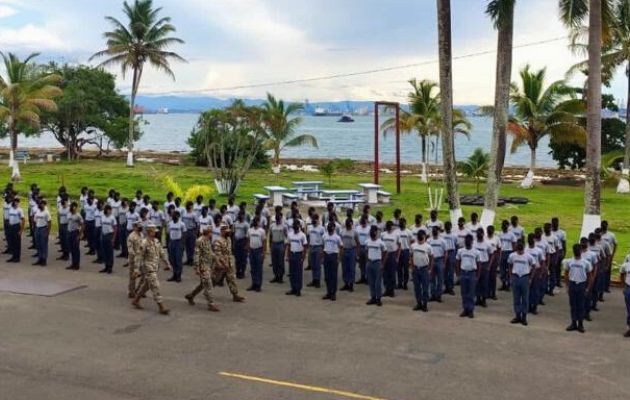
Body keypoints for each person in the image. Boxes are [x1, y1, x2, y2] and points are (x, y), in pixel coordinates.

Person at [132, 224, 172, 315]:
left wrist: (167, 264)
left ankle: (136, 300)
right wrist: (136, 270)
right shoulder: (144, 243)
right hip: (148, 267)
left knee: (147, 285)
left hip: (155, 267)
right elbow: (139, 257)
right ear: (150, 232)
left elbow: (162, 253)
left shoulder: (156, 241)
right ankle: (161, 307)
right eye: (154, 231)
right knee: (155, 285)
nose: (156, 232)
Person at [185, 227, 220, 312]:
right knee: (208, 284)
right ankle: (211, 304)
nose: (212, 234)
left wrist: (216, 260)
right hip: (203, 266)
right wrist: (196, 268)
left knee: (203, 284)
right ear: (208, 233)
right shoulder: (199, 241)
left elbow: (209, 252)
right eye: (211, 232)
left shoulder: (207, 240)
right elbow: (196, 254)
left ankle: (191, 295)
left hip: (208, 265)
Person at [563, 244, 593, 333]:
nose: (576, 253)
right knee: (573, 305)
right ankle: (573, 323)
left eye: (578, 251)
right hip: (572, 284)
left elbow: (590, 276)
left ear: (580, 251)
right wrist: (567, 286)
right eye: (575, 251)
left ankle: (580, 324)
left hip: (581, 284)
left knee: (581, 305)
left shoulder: (586, 263)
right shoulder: (569, 262)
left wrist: (587, 288)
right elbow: (566, 273)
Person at [212, 224, 245, 302]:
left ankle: (235, 295)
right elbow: (218, 254)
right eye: (227, 232)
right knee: (214, 280)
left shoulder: (229, 239)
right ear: (222, 231)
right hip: (220, 265)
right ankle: (206, 291)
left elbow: (229, 252)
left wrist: (229, 263)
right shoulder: (218, 241)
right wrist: (224, 263)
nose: (229, 233)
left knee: (231, 279)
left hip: (228, 263)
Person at [508, 240, 536, 326]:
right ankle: (517, 316)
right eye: (518, 250)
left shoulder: (528, 256)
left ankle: (524, 316)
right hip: (515, 276)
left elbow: (534, 266)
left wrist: (531, 278)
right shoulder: (512, 255)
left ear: (523, 248)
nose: (519, 252)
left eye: (521, 250)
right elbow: (510, 265)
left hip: (524, 277)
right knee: (516, 298)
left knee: (525, 298)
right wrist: (511, 276)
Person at [456, 234, 481, 318]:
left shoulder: (476, 252)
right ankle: (465, 309)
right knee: (464, 293)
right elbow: (457, 262)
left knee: (471, 293)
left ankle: (470, 310)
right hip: (463, 273)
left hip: (472, 273)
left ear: (472, 241)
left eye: (469, 241)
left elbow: (479, 264)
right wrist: (458, 273)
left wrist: (477, 275)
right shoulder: (460, 251)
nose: (467, 242)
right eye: (466, 240)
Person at [410, 231, 432, 312]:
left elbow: (432, 257)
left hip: (424, 269)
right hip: (416, 269)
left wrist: (430, 269)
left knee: (425, 288)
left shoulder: (428, 247)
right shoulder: (413, 246)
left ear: (424, 237)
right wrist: (412, 267)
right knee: (417, 288)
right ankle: (419, 303)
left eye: (422, 236)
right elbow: (411, 256)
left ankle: (425, 304)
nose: (420, 238)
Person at [286, 220, 308, 296]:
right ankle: (293, 288)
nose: (295, 227)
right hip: (292, 254)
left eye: (297, 225)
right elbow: (288, 245)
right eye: (294, 225)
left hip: (298, 255)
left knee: (298, 273)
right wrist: (287, 256)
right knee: (292, 273)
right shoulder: (290, 234)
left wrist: (303, 257)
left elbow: (305, 247)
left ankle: (298, 289)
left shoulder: (302, 235)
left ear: (299, 226)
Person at [366, 225, 386, 306]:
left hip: (377, 263)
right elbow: (366, 251)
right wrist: (367, 260)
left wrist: (382, 263)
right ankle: (373, 297)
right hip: (370, 262)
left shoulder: (380, 242)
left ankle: (378, 298)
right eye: (372, 231)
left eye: (374, 231)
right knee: (371, 281)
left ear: (377, 232)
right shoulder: (367, 241)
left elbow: (385, 252)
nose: (373, 233)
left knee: (378, 282)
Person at [322, 222, 343, 301]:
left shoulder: (337, 237)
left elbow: (341, 247)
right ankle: (328, 292)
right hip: (326, 255)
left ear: (334, 228)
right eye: (329, 227)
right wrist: (322, 258)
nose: (330, 229)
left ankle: (333, 293)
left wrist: (339, 258)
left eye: (331, 227)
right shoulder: (324, 235)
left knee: (333, 276)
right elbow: (323, 246)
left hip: (333, 255)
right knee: (327, 276)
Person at [473, 228, 494, 308]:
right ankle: (478, 299)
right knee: (477, 282)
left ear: (483, 234)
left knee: (484, 283)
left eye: (480, 233)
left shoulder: (487, 244)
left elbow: (492, 255)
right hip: (476, 264)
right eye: (477, 233)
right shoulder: (474, 243)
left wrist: (489, 265)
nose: (479, 235)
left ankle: (484, 299)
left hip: (484, 264)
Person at [525, 233, 544, 315]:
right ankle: (528, 306)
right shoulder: (525, 249)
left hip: (536, 271)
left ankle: (534, 307)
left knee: (535, 290)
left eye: (531, 239)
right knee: (527, 290)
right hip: (527, 271)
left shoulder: (538, 250)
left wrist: (541, 273)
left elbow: (542, 262)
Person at [246, 216, 266, 292]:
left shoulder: (262, 231)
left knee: (259, 269)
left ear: (258, 222)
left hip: (258, 250)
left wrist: (263, 253)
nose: (255, 222)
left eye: (256, 221)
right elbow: (248, 240)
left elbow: (264, 242)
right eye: (254, 221)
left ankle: (258, 285)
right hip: (251, 250)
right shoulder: (249, 230)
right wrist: (248, 251)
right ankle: (253, 284)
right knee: (253, 269)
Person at [427, 226, 447, 303]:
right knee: (431, 279)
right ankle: (433, 295)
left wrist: (444, 263)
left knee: (440, 279)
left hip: (439, 260)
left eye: (436, 230)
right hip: (431, 260)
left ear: (439, 231)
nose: (435, 231)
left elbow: (446, 253)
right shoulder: (429, 240)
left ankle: (439, 295)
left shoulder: (442, 241)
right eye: (433, 230)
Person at [340, 218, 359, 292]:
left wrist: (357, 254)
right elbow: (340, 241)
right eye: (347, 224)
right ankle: (346, 283)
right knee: (344, 268)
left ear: (352, 224)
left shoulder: (355, 232)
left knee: (351, 268)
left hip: (352, 250)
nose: (348, 226)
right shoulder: (342, 231)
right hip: (344, 250)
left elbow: (358, 243)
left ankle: (351, 284)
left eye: (350, 224)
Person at [167, 211, 186, 282]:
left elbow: (184, 234)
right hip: (172, 242)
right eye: (172, 215)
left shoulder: (182, 224)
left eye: (175, 215)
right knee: (172, 259)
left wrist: (182, 244)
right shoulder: (170, 223)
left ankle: (178, 276)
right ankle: (174, 274)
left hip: (178, 242)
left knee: (178, 260)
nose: (173, 217)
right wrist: (169, 242)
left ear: (178, 216)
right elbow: (169, 233)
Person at [126, 221, 144, 298]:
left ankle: (140, 290)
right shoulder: (131, 236)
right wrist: (136, 256)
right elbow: (130, 249)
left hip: (141, 257)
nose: (140, 227)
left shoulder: (142, 235)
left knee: (144, 274)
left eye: (140, 226)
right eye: (138, 226)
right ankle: (131, 292)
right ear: (134, 227)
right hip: (133, 258)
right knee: (133, 276)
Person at [307, 214, 325, 288]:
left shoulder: (321, 228)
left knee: (317, 265)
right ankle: (314, 280)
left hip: (318, 247)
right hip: (311, 247)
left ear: (318, 219)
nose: (314, 220)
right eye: (313, 219)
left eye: (315, 219)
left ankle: (317, 281)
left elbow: (324, 239)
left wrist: (323, 249)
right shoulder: (309, 227)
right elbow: (308, 237)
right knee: (313, 265)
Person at [498, 220, 517, 291]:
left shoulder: (511, 234)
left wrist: (513, 253)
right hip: (502, 252)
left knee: (509, 269)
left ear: (508, 226)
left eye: (505, 225)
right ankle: (503, 283)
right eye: (503, 225)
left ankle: (508, 284)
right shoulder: (500, 234)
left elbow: (514, 244)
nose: (504, 226)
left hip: (509, 252)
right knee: (502, 269)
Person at [269, 214, 288, 283]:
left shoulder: (284, 226)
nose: (278, 220)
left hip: (281, 244)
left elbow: (286, 236)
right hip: (274, 243)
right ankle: (276, 275)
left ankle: (280, 276)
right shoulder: (272, 226)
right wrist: (270, 245)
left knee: (280, 261)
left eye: (279, 219)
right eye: (277, 219)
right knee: (274, 261)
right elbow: (270, 236)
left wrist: (285, 245)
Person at [99, 205, 117, 274]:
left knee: (110, 252)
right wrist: (101, 235)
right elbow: (102, 226)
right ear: (106, 210)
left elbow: (115, 228)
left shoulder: (112, 217)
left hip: (110, 235)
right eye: (108, 209)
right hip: (103, 235)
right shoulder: (102, 217)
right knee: (104, 252)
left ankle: (110, 267)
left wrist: (113, 238)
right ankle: (106, 266)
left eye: (110, 210)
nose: (110, 211)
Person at [33, 200, 52, 266]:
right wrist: (35, 228)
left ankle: (44, 260)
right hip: (37, 229)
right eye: (39, 204)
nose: (40, 205)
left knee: (43, 245)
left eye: (41, 204)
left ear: (44, 205)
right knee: (38, 245)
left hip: (43, 229)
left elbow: (49, 222)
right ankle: (39, 259)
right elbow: (35, 220)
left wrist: (48, 232)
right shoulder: (37, 211)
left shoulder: (46, 212)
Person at [600, 221, 617, 294]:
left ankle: (606, 287)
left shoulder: (611, 235)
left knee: (607, 270)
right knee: (600, 271)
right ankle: (601, 286)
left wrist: (612, 254)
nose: (604, 227)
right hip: (599, 255)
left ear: (607, 226)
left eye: (605, 225)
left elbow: (615, 244)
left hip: (607, 255)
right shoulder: (598, 234)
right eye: (603, 225)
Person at [7, 197, 25, 263]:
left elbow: (23, 220)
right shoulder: (10, 209)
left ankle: (17, 257)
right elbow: (9, 217)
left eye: (17, 201)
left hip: (16, 226)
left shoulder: (20, 210)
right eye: (14, 201)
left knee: (17, 243)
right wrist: (9, 223)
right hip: (11, 226)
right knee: (12, 242)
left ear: (18, 203)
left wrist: (21, 230)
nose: (15, 203)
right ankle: (13, 256)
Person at [65, 202, 83, 270]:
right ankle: (73, 263)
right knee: (71, 249)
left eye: (75, 207)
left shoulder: (78, 215)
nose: (74, 208)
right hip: (69, 232)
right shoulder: (68, 214)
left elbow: (82, 224)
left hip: (75, 232)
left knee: (76, 249)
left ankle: (77, 264)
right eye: (73, 207)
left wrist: (80, 234)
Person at [233, 211, 250, 279]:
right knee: (237, 258)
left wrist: (246, 245)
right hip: (237, 241)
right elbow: (234, 233)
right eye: (239, 215)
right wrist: (233, 243)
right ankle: (237, 272)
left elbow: (248, 236)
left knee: (243, 258)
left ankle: (242, 272)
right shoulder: (236, 223)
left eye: (241, 215)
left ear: (243, 216)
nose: (240, 216)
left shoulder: (246, 224)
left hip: (243, 241)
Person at [442, 221, 457, 295]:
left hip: (451, 252)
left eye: (449, 227)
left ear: (451, 227)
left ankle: (450, 288)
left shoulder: (454, 235)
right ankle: (446, 287)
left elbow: (456, 244)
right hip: (444, 253)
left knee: (451, 271)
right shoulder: (442, 235)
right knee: (444, 271)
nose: (448, 228)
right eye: (446, 227)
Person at [397, 218, 412, 290]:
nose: (402, 224)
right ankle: (400, 283)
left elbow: (412, 242)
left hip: (406, 250)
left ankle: (405, 283)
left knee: (406, 269)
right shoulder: (396, 232)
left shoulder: (409, 232)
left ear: (405, 223)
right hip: (398, 251)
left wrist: (410, 252)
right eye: (401, 222)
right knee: (399, 268)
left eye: (403, 223)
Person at [486, 225, 501, 300]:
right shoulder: (485, 238)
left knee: (493, 277)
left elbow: (499, 249)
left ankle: (493, 293)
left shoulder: (496, 238)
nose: (489, 232)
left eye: (491, 231)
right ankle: (487, 292)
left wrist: (498, 258)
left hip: (494, 258)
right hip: (486, 257)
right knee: (487, 277)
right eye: (488, 231)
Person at [551, 217, 566, 288]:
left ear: (558, 223)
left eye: (555, 223)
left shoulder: (562, 232)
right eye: (553, 223)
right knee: (552, 267)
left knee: (558, 267)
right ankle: (552, 281)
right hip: (551, 251)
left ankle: (558, 281)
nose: (554, 224)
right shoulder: (549, 232)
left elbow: (564, 243)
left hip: (559, 251)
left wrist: (564, 252)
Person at [355, 216, 371, 285]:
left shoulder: (369, 228)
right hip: (359, 246)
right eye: (362, 223)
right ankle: (362, 277)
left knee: (367, 263)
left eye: (364, 223)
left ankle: (368, 278)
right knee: (361, 264)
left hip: (367, 247)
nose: (363, 225)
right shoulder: (358, 228)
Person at [182, 202, 198, 266]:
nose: (188, 206)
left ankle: (191, 260)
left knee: (192, 246)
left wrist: (196, 231)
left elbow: (197, 223)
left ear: (192, 206)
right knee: (187, 246)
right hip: (185, 231)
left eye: (190, 205)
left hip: (192, 231)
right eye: (187, 205)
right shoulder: (184, 214)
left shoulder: (194, 214)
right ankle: (188, 259)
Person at [620, 253, 630, 337]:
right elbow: (622, 273)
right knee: (629, 309)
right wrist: (623, 287)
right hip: (628, 288)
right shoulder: (627, 264)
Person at [57, 196, 69, 261]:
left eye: (65, 203)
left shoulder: (69, 209)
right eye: (63, 204)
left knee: (66, 240)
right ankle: (63, 253)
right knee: (62, 240)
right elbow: (58, 216)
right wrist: (59, 225)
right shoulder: (60, 208)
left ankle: (67, 254)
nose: (64, 205)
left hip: (66, 225)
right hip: (61, 225)